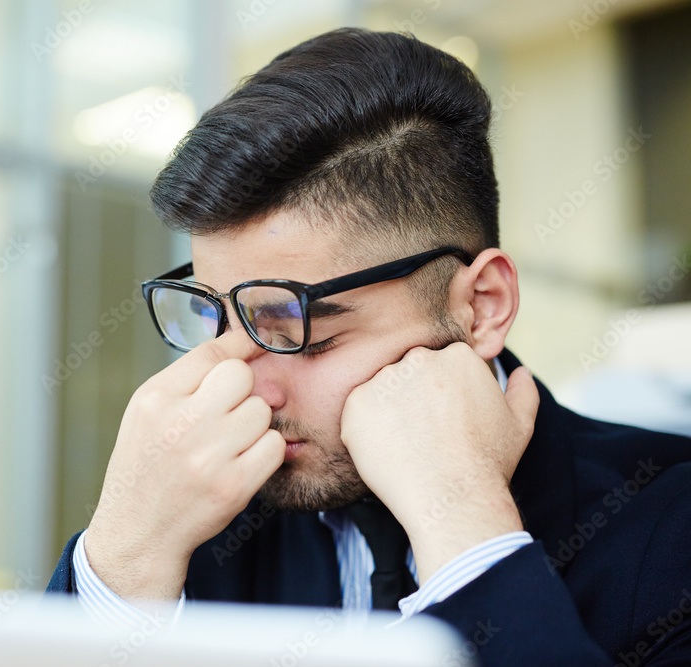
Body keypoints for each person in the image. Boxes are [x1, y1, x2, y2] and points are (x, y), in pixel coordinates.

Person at [46, 27, 691, 665]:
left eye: (303, 334)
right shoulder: (198, 523)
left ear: (482, 306)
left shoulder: (670, 525)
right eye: (216, 318)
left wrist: (466, 527)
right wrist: (125, 556)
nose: (245, 388)